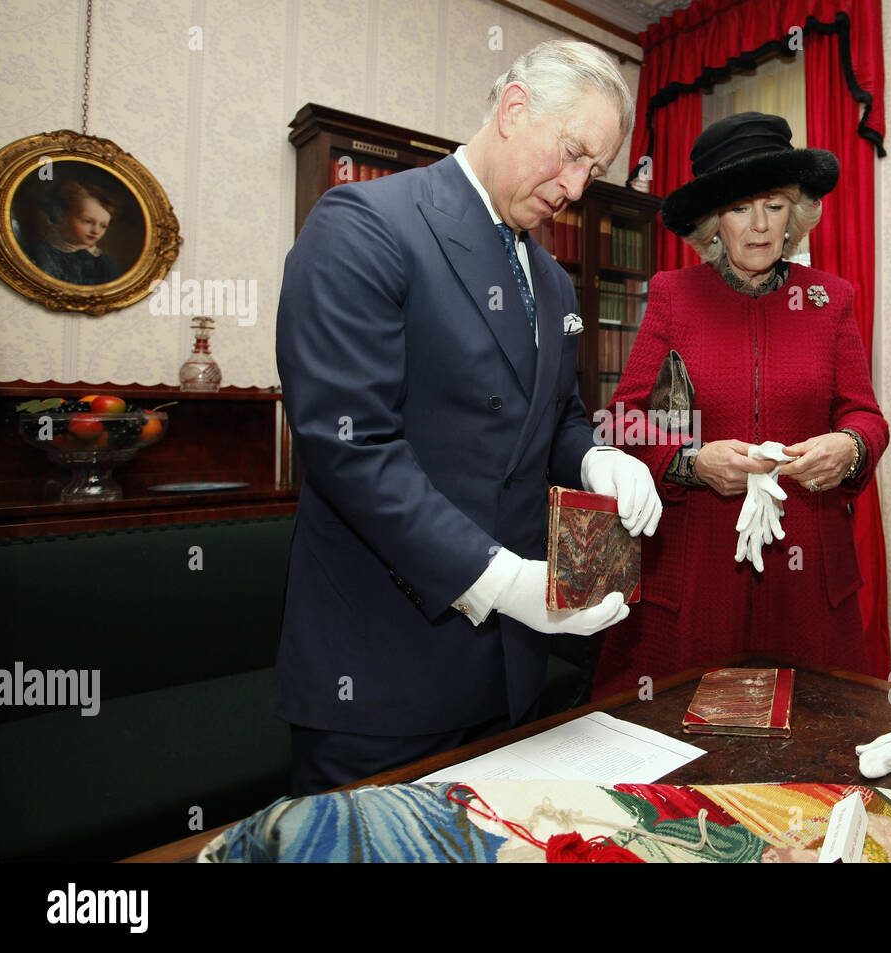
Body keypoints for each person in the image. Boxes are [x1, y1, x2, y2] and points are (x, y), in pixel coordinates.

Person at [274, 40, 662, 796]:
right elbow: (353, 450)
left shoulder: (552, 281)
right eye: (573, 153)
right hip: (381, 678)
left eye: (595, 170)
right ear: (515, 111)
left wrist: (594, 459)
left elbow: (556, 421)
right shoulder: (365, 224)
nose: (578, 187)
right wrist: (503, 580)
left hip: (507, 674)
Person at [592, 112, 889, 699]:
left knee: (814, 749)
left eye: (774, 205)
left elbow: (864, 415)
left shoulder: (830, 299)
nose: (758, 226)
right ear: (712, 222)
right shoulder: (674, 296)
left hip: (808, 572)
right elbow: (621, 419)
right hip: (696, 566)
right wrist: (692, 461)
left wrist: (850, 447)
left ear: (794, 215)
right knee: (684, 744)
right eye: (738, 208)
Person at [30, 179, 122, 285]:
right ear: (63, 216)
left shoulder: (106, 264)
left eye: (103, 226)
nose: (96, 231)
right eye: (87, 221)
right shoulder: (41, 253)